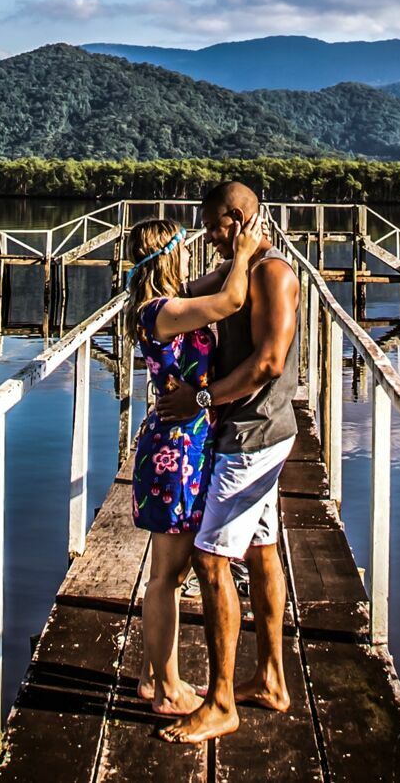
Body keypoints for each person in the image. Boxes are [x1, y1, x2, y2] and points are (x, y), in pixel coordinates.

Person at [155, 181, 301, 744]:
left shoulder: (273, 275)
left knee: (211, 561)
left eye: (212, 225)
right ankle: (270, 680)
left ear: (236, 219)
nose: (206, 235)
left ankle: (220, 703)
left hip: (253, 435)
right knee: (262, 553)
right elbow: (194, 295)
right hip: (250, 432)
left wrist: (199, 398)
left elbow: (267, 363)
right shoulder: (240, 268)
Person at [123, 211, 265, 715]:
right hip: (175, 450)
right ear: (167, 254)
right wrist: (245, 255)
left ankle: (151, 675)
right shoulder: (160, 311)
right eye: (183, 245)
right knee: (168, 574)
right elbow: (229, 299)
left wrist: (239, 253)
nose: (191, 251)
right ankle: (165, 688)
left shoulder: (170, 303)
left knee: (170, 573)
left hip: (186, 443)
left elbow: (215, 285)